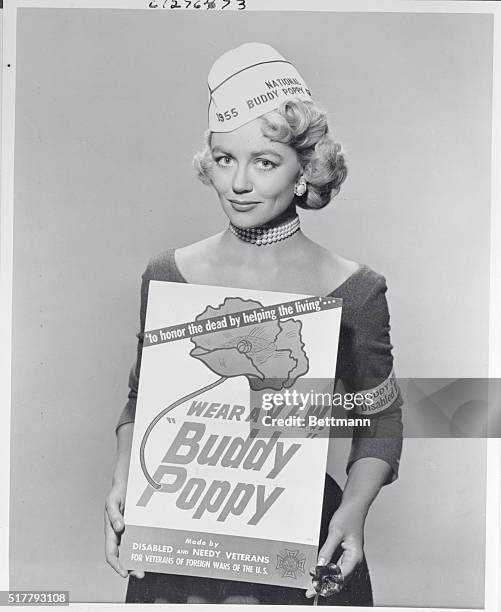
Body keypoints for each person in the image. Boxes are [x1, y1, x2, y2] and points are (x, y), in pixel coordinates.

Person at [104, 42, 403, 606]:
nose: (238, 183)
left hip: (303, 543)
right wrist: (125, 479)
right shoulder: (168, 273)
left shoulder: (356, 289)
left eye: (264, 161)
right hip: (178, 543)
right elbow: (140, 399)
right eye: (224, 159)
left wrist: (353, 514)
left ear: (304, 171)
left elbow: (381, 415)